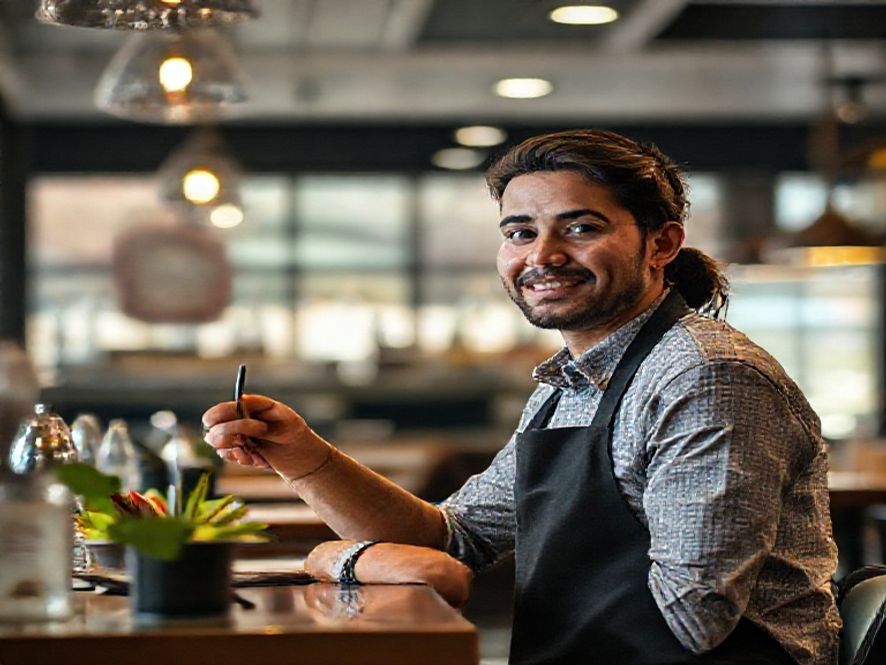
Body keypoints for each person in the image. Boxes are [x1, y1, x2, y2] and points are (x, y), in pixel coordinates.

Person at [203, 129, 841, 665]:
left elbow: (692, 620)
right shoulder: (569, 381)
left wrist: (339, 558)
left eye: (581, 227)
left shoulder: (705, 376)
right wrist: (301, 456)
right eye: (519, 232)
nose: (544, 255)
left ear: (661, 244)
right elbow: (456, 539)